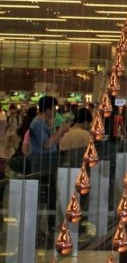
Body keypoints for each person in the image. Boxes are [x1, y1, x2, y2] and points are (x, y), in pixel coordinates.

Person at [29, 96, 70, 239]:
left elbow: (51, 143)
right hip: (42, 164)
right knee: (41, 199)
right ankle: (36, 231)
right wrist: (60, 131)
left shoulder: (44, 123)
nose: (55, 112)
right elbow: (46, 145)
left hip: (48, 164)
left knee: (47, 198)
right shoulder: (37, 124)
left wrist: (60, 132)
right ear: (47, 109)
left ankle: (42, 229)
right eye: (54, 109)